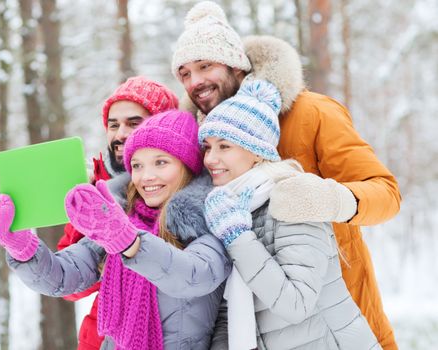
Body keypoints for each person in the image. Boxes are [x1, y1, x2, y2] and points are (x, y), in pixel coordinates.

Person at [171, 2, 401, 348]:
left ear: (237, 66)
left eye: (206, 66)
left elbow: (386, 194)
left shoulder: (311, 112)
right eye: (185, 73)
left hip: (337, 310)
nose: (196, 82)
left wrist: (331, 199)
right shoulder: (201, 138)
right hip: (258, 326)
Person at [0, 110, 231, 349]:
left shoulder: (209, 221)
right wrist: (23, 247)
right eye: (137, 165)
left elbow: (195, 276)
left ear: (188, 166)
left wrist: (129, 242)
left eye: (160, 162)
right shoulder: (119, 217)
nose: (146, 176)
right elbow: (65, 275)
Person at [199, 78, 381, 349]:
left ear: (257, 152)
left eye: (224, 146)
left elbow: (296, 303)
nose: (210, 159)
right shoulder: (231, 208)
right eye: (208, 146)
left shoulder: (292, 197)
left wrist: (237, 237)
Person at [56, 76, 179, 349]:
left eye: (134, 123)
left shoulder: (180, 191)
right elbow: (74, 288)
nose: (120, 134)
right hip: (101, 338)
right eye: (113, 125)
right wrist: (85, 211)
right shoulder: (98, 183)